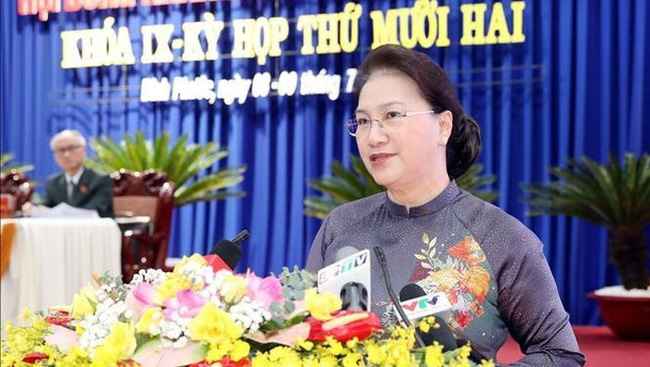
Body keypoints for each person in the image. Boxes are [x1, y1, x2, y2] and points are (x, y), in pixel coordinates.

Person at [305, 45, 585, 365]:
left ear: (443, 126)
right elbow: (304, 334)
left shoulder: (501, 237)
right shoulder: (341, 226)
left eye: (392, 115)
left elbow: (562, 355)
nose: (373, 136)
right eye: (363, 121)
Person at [22, 129, 114, 218]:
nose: (67, 155)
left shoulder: (102, 179)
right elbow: (47, 206)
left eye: (71, 148)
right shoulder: (53, 182)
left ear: (84, 150)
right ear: (55, 155)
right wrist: (35, 208)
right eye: (61, 150)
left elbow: (95, 210)